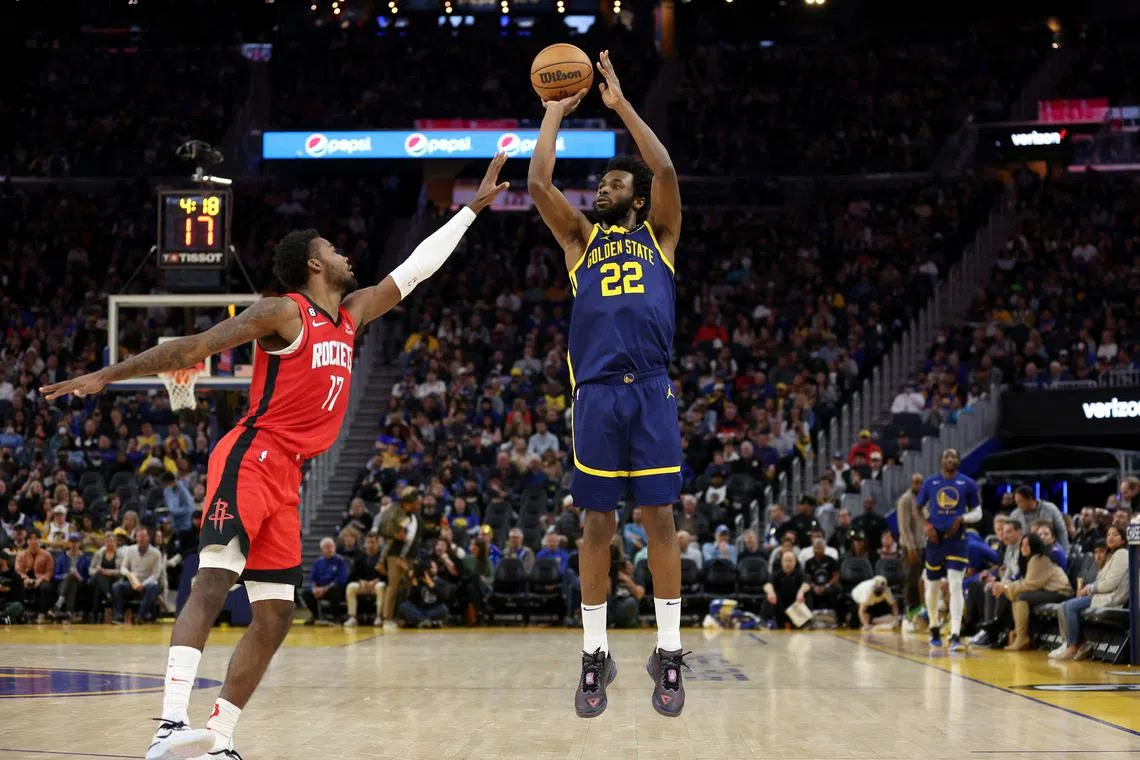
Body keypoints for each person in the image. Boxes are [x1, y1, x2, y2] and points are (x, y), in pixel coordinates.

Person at [40, 156, 510, 760]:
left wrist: (470, 209)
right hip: (250, 455)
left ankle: (220, 739)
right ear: (314, 263)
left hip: (288, 474)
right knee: (213, 579)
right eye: (334, 248)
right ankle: (168, 723)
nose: (346, 254)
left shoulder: (351, 314)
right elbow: (195, 345)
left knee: (276, 616)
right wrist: (107, 374)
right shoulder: (282, 311)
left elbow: (414, 271)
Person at [529, 51, 687, 718]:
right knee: (596, 524)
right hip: (595, 391)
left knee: (660, 520)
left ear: (635, 197)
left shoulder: (661, 235)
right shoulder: (579, 241)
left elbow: (667, 170)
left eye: (616, 184)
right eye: (601, 186)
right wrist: (553, 114)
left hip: (651, 388)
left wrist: (620, 104)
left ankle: (669, 655)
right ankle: (594, 655)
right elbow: (539, 183)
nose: (604, 189)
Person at [916, 448, 981, 652]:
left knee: (955, 585)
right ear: (940, 460)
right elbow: (917, 508)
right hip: (935, 540)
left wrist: (962, 518)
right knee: (932, 587)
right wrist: (926, 526)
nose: (950, 459)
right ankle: (934, 627)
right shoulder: (930, 483)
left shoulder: (968, 483)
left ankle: (955, 634)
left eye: (954, 456)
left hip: (957, 540)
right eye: (947, 456)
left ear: (958, 460)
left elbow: (978, 512)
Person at [1050, 524, 1129, 660]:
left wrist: (1090, 588)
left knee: (1069, 607)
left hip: (1112, 598)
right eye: (1108, 534)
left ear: (1123, 540)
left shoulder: (1122, 554)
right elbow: (1102, 581)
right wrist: (1090, 588)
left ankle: (1073, 645)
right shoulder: (1113, 555)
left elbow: (1110, 584)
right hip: (1103, 595)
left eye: (1115, 535)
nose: (1110, 537)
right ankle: (1070, 642)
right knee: (1064, 606)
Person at [990, 533, 1072, 651]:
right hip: (1048, 591)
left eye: (1027, 545)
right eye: (1022, 545)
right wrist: (1005, 587)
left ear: (1034, 546)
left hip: (1061, 592)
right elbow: (1026, 582)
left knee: (1021, 597)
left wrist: (1006, 587)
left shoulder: (1039, 558)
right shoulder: (1031, 559)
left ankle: (1022, 636)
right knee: (1017, 595)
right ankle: (1018, 634)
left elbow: (1030, 584)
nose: (1023, 548)